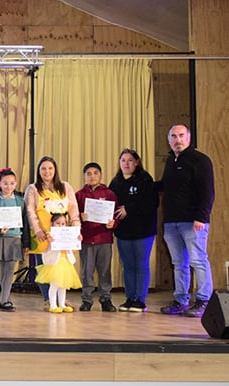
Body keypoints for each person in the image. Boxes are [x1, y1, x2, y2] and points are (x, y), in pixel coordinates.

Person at [159, 124, 215, 318]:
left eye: (181, 135)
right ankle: (181, 300)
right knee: (178, 264)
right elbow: (165, 186)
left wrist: (201, 217)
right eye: (173, 136)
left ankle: (203, 300)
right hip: (171, 222)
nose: (178, 140)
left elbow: (208, 193)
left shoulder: (200, 160)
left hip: (193, 222)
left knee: (198, 261)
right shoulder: (170, 161)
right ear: (169, 140)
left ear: (189, 138)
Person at [24, 156, 81, 311]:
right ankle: (48, 300)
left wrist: (77, 230)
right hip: (42, 236)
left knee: (61, 267)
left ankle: (60, 300)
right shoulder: (33, 189)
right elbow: (30, 212)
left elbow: (73, 210)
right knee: (44, 268)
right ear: (38, 171)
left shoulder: (65, 187)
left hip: (62, 237)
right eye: (43, 168)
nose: (47, 172)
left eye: (50, 168)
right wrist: (38, 230)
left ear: (55, 170)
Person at [109, 149, 158, 312]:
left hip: (143, 231)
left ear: (136, 162)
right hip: (123, 232)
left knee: (141, 265)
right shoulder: (115, 182)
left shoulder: (145, 179)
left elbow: (152, 203)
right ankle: (129, 298)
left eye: (130, 160)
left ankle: (140, 299)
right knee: (128, 266)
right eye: (123, 160)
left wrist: (129, 208)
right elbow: (109, 205)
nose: (126, 164)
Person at [0, 168, 30, 312]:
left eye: (11, 183)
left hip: (15, 239)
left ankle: (4, 300)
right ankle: (5, 298)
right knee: (4, 270)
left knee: (9, 270)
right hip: (0, 238)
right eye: (5, 183)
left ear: (15, 184)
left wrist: (26, 242)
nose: (8, 186)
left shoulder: (20, 200)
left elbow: (25, 222)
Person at [75, 162, 118, 312]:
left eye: (95, 173)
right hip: (86, 239)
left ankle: (105, 298)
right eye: (88, 174)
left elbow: (116, 215)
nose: (92, 176)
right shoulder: (79, 195)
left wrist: (113, 224)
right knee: (86, 271)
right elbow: (73, 216)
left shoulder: (109, 194)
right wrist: (80, 217)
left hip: (104, 238)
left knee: (104, 270)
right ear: (84, 177)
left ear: (101, 175)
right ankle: (86, 299)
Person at [35, 213, 82, 313]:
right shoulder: (49, 235)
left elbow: (73, 247)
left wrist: (77, 239)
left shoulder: (68, 234)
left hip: (65, 263)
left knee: (63, 286)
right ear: (52, 224)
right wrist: (49, 241)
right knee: (54, 285)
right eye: (58, 223)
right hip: (55, 264)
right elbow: (43, 248)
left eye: (63, 223)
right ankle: (52, 304)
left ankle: (62, 304)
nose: (61, 225)